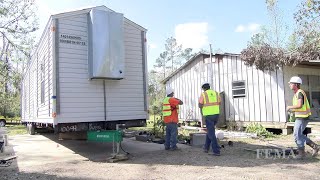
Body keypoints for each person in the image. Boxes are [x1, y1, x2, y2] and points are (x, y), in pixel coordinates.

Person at [286, 76, 319, 159]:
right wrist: (293, 111)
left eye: (291, 83)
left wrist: (290, 107)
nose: (289, 85)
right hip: (301, 117)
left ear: (296, 85)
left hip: (302, 117)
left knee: (297, 135)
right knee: (298, 134)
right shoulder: (297, 94)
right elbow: (300, 107)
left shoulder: (300, 93)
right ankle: (314, 147)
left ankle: (302, 154)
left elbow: (299, 105)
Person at [199, 82, 221, 156]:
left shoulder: (204, 94)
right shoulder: (216, 93)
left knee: (211, 133)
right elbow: (219, 102)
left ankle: (216, 150)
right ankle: (206, 147)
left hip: (208, 116)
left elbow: (200, 105)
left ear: (204, 89)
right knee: (210, 131)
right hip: (216, 115)